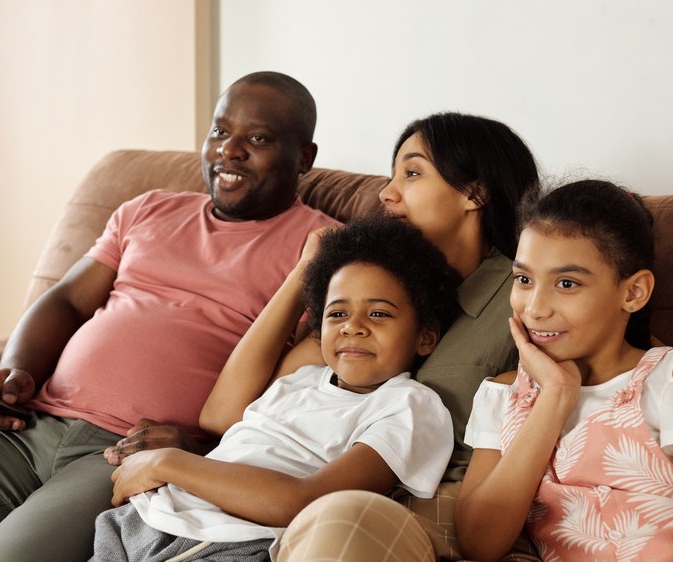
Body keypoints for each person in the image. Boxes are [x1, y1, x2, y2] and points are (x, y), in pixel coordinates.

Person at [0, 71, 337, 562]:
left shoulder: (323, 250)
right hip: (30, 428)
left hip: (130, 457)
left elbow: (305, 391)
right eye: (219, 131)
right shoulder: (149, 210)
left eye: (257, 138)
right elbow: (66, 300)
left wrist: (206, 449)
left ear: (304, 158)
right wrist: (18, 370)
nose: (229, 150)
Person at [246, 112, 543, 561]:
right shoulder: (370, 292)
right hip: (332, 499)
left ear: (474, 192)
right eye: (392, 175)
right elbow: (241, 407)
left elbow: (627, 355)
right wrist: (304, 271)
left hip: (442, 512)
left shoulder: (522, 294)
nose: (386, 193)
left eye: (412, 172)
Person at [91, 216, 461, 561]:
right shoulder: (304, 376)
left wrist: (167, 463)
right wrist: (305, 270)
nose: (353, 327)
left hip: (230, 540)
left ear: (426, 337)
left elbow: (304, 500)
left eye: (378, 313)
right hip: (143, 519)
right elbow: (218, 417)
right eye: (337, 313)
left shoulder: (410, 407)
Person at [455, 180, 673, 561]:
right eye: (524, 280)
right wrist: (557, 395)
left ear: (633, 292)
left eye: (567, 283)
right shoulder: (505, 395)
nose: (534, 308)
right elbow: (479, 543)